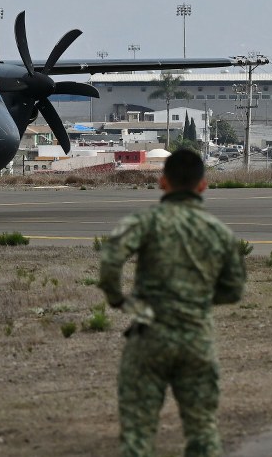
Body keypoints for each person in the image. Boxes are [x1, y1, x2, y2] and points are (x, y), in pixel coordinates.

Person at [99, 149, 246, 457]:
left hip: (150, 334)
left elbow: (111, 259)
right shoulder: (219, 232)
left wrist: (118, 300)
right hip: (196, 338)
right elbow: (233, 290)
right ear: (203, 185)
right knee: (203, 431)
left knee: (138, 433)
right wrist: (198, 299)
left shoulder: (146, 221)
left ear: (162, 183)